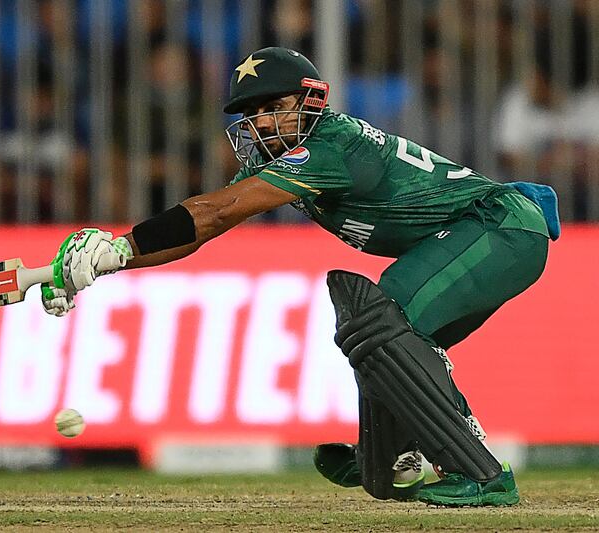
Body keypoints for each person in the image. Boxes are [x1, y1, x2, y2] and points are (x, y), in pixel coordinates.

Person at [40, 47, 559, 507]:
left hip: (500, 226)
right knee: (382, 336)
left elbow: (214, 212)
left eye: (274, 107)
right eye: (252, 113)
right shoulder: (290, 159)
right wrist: (111, 261)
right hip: (481, 235)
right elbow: (198, 232)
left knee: (384, 317)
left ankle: (479, 471)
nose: (262, 123)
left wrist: (120, 243)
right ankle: (393, 451)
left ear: (311, 101)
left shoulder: (329, 145)